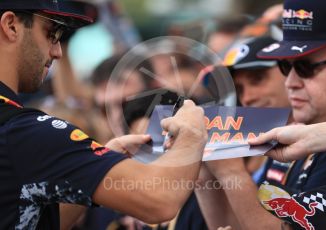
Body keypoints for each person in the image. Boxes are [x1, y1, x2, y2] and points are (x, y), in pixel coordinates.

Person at [0, 1, 208, 229]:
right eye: (52, 33)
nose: (57, 51)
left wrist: (92, 173)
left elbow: (26, 218)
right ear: (11, 26)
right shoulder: (23, 132)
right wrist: (192, 131)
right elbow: (160, 201)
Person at [198, 0, 326, 228]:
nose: (291, 82)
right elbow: (240, 224)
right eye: (286, 67)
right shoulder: (289, 139)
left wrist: (230, 171)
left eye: (306, 67)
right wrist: (204, 173)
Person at [195, 35, 291, 230]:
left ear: (290, 70)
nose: (248, 98)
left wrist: (230, 172)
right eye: (239, 89)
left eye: (257, 79)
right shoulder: (258, 145)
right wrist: (202, 173)